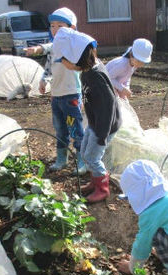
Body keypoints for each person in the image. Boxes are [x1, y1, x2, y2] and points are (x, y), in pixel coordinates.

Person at [52, 27, 121, 203]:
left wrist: (102, 136)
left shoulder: (95, 77)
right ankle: (94, 182)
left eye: (64, 60)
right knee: (84, 152)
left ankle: (102, 188)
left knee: (92, 156)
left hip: (105, 125)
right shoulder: (87, 71)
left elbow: (109, 107)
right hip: (95, 122)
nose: (63, 64)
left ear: (76, 58)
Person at [24, 7, 86, 174]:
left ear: (72, 28)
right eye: (52, 25)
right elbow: (49, 65)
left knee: (76, 129)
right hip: (56, 96)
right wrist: (44, 80)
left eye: (60, 25)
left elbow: (47, 48)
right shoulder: (55, 47)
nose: (55, 29)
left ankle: (82, 161)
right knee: (60, 128)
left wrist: (37, 49)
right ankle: (62, 159)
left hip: (71, 95)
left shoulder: (73, 46)